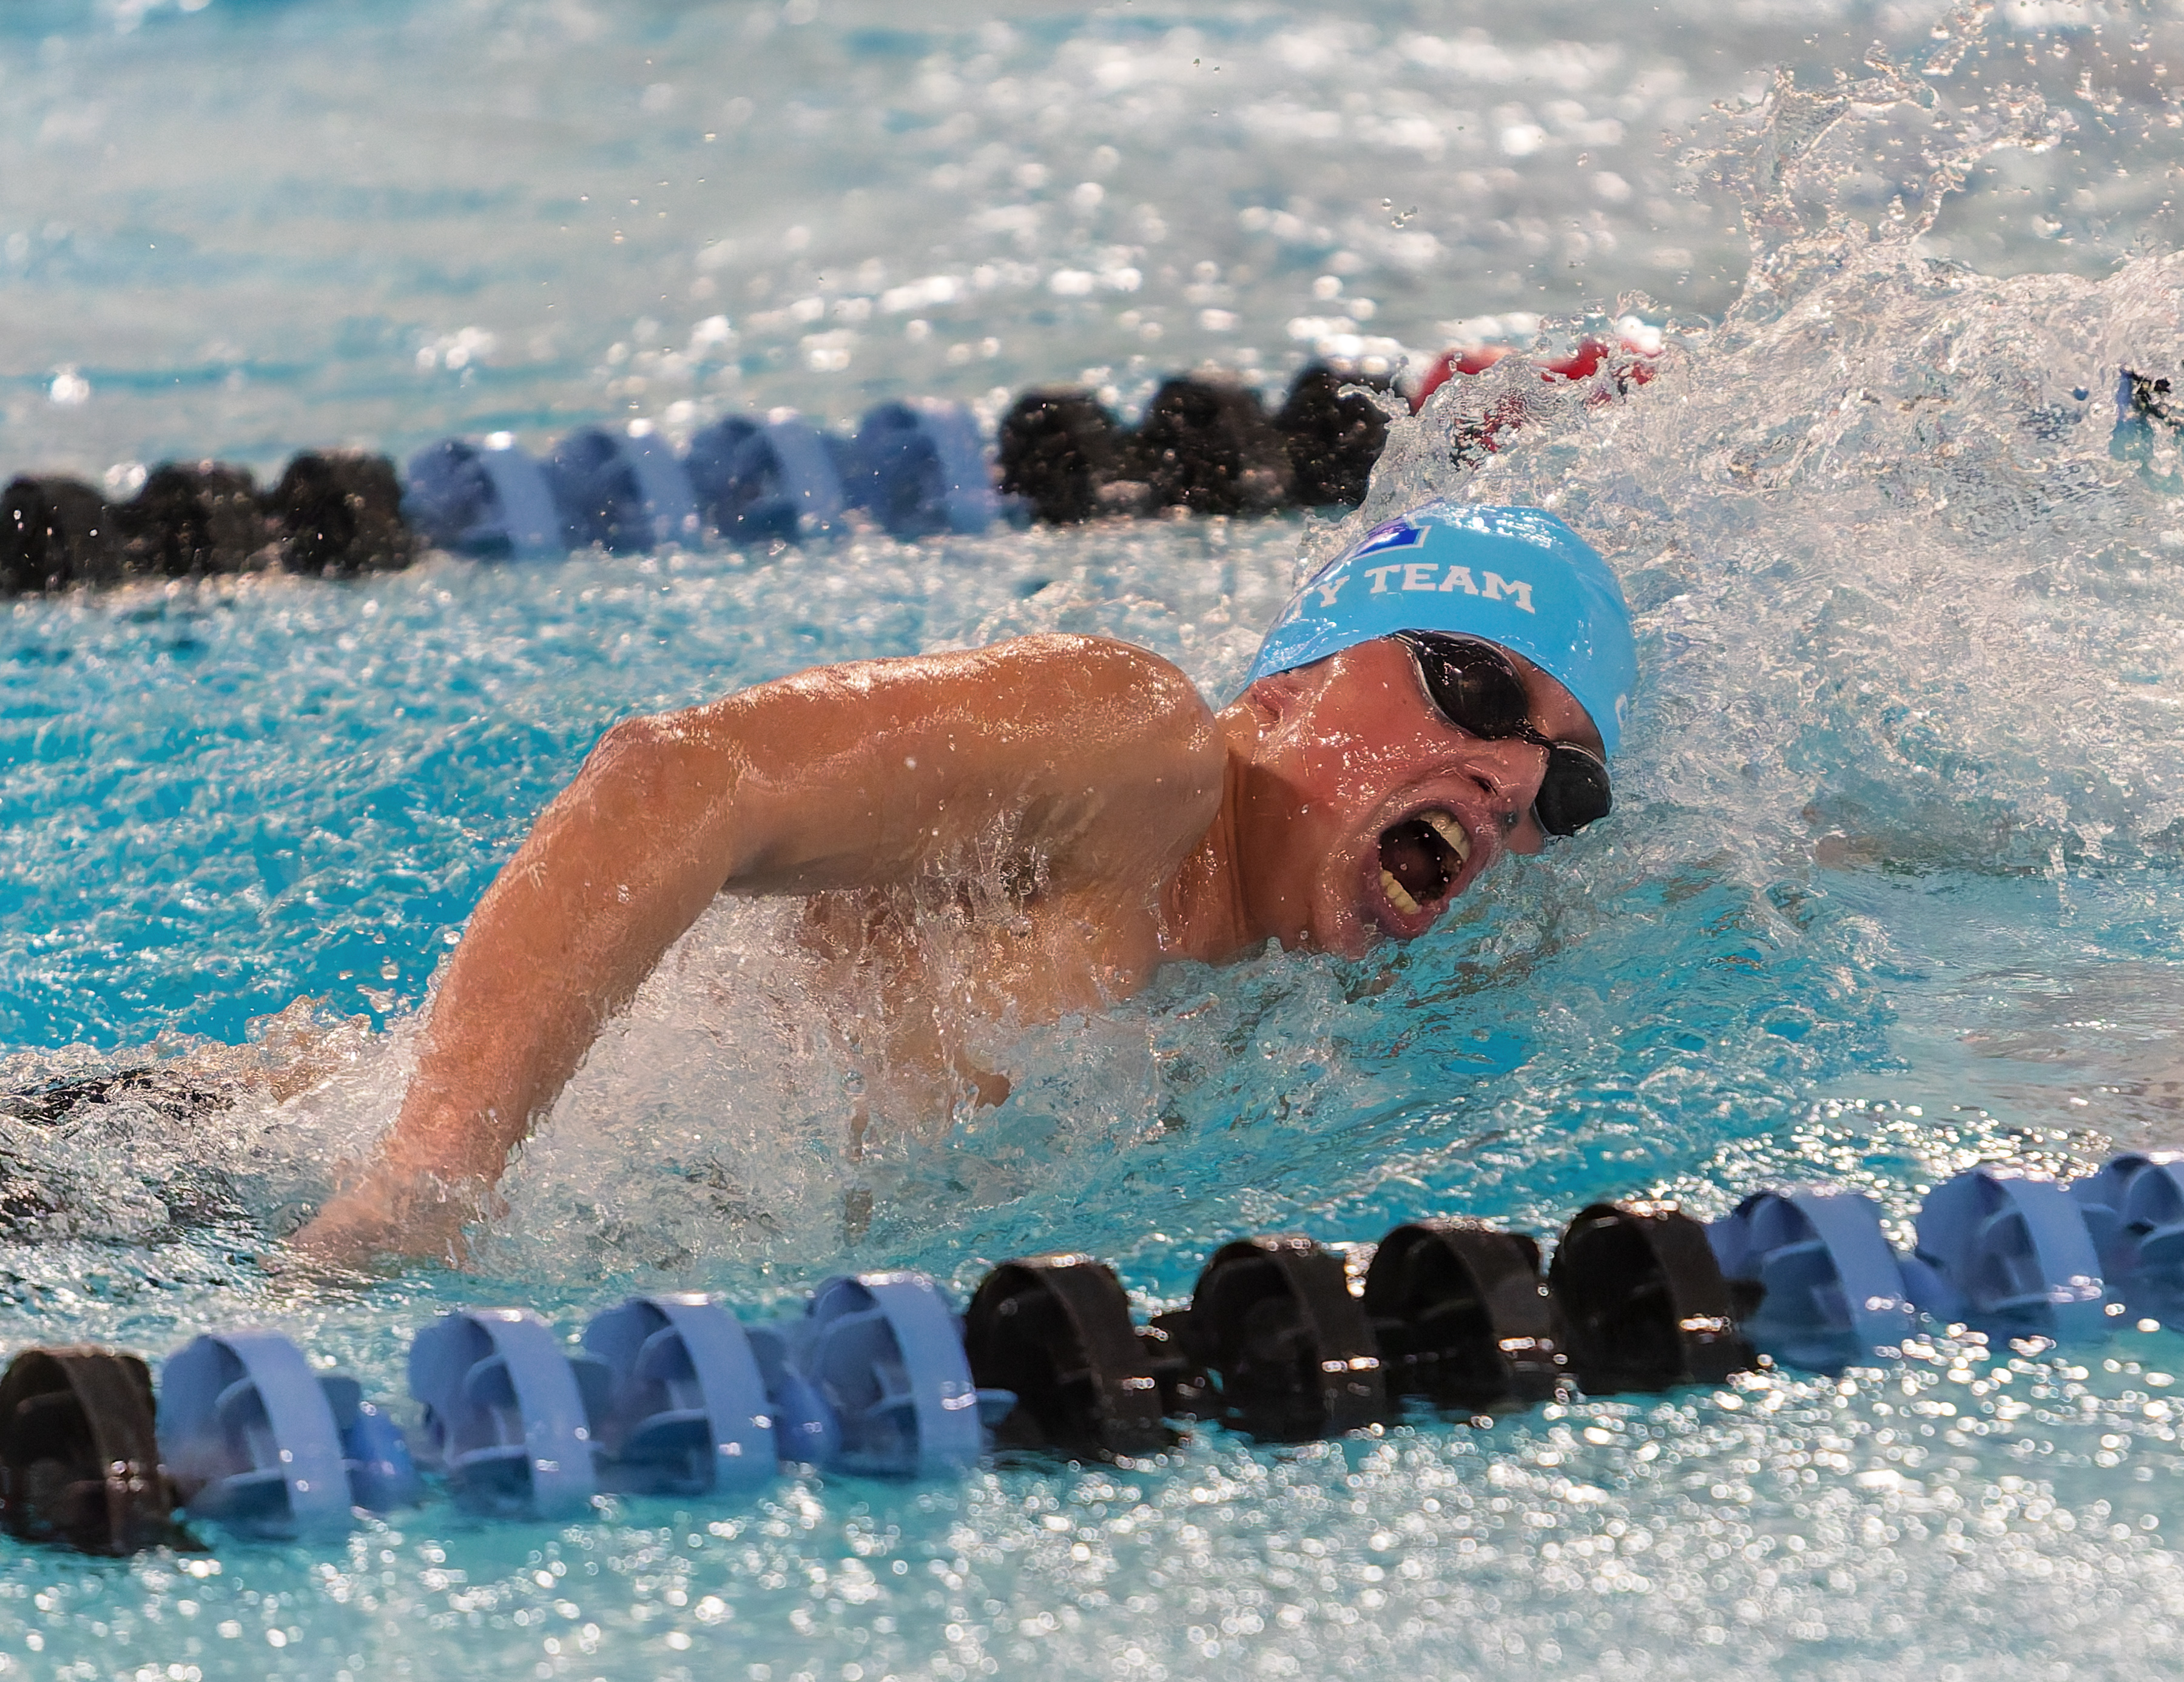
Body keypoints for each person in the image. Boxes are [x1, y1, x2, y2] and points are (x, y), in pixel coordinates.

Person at [296, 498, 1638, 1262]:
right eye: (1470, 685)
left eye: (1561, 785)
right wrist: (426, 1182)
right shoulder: (1136, 749)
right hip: (248, 1179)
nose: (1511, 779)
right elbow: (677, 775)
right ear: (1291, 680)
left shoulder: (1300, 1002)